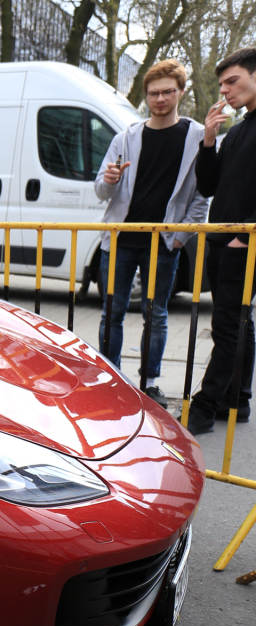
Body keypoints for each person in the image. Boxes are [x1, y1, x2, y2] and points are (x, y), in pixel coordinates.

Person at [92, 58, 209, 409]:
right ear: (146, 96)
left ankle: (151, 382)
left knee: (155, 314)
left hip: (163, 242)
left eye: (167, 92)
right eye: (154, 93)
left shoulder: (198, 136)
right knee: (111, 311)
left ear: (180, 92)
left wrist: (180, 237)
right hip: (120, 240)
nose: (160, 99)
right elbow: (101, 189)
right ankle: (110, 377)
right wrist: (109, 181)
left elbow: (203, 194)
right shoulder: (126, 137)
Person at [190, 46, 256, 435]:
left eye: (233, 81)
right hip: (222, 241)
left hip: (242, 243)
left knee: (228, 326)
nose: (226, 91)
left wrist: (245, 238)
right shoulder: (238, 129)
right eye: (222, 85)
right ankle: (238, 399)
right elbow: (208, 185)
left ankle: (205, 405)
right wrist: (210, 138)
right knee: (238, 322)